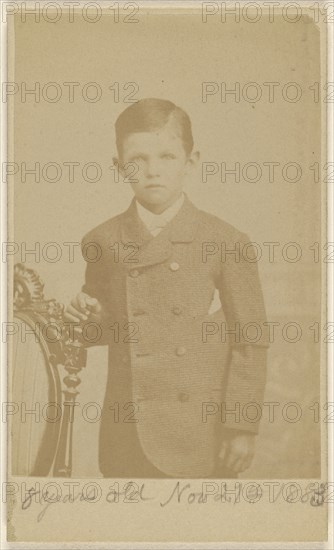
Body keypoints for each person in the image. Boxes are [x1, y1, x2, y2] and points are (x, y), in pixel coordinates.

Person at [65, 98, 269, 478]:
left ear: (190, 162)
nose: (152, 171)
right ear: (117, 166)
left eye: (166, 157)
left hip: (199, 434)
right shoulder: (103, 240)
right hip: (126, 429)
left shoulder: (225, 241)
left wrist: (241, 428)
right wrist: (85, 315)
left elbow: (250, 340)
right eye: (136, 159)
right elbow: (105, 331)